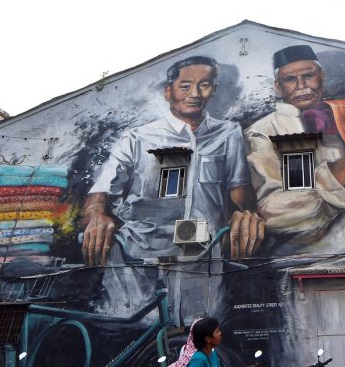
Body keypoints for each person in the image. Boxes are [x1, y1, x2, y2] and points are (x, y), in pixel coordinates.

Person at [81, 56, 265, 315]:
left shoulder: (228, 133)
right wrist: (97, 216)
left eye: (204, 85)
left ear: (214, 89)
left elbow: (240, 194)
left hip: (201, 253)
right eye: (185, 85)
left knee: (199, 325)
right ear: (168, 92)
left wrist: (247, 216)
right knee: (137, 326)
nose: (195, 93)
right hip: (140, 255)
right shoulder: (138, 138)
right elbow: (101, 192)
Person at [244, 45, 345, 255]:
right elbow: (273, 212)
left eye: (308, 76)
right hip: (306, 252)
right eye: (290, 79)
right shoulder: (263, 131)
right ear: (278, 87)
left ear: (321, 77)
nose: (301, 86)